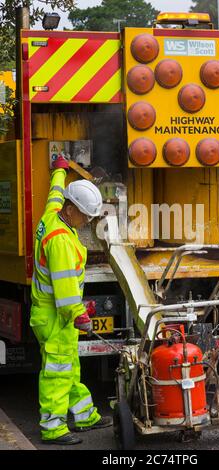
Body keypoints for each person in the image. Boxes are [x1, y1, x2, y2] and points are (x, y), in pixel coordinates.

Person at [30, 155, 112, 445]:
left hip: (49, 314)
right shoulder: (61, 242)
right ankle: (53, 428)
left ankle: (84, 414)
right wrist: (80, 315)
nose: (88, 221)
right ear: (70, 209)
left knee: (69, 365)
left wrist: (59, 171)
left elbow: (54, 191)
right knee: (57, 371)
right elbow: (65, 292)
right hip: (55, 315)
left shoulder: (53, 214)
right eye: (85, 216)